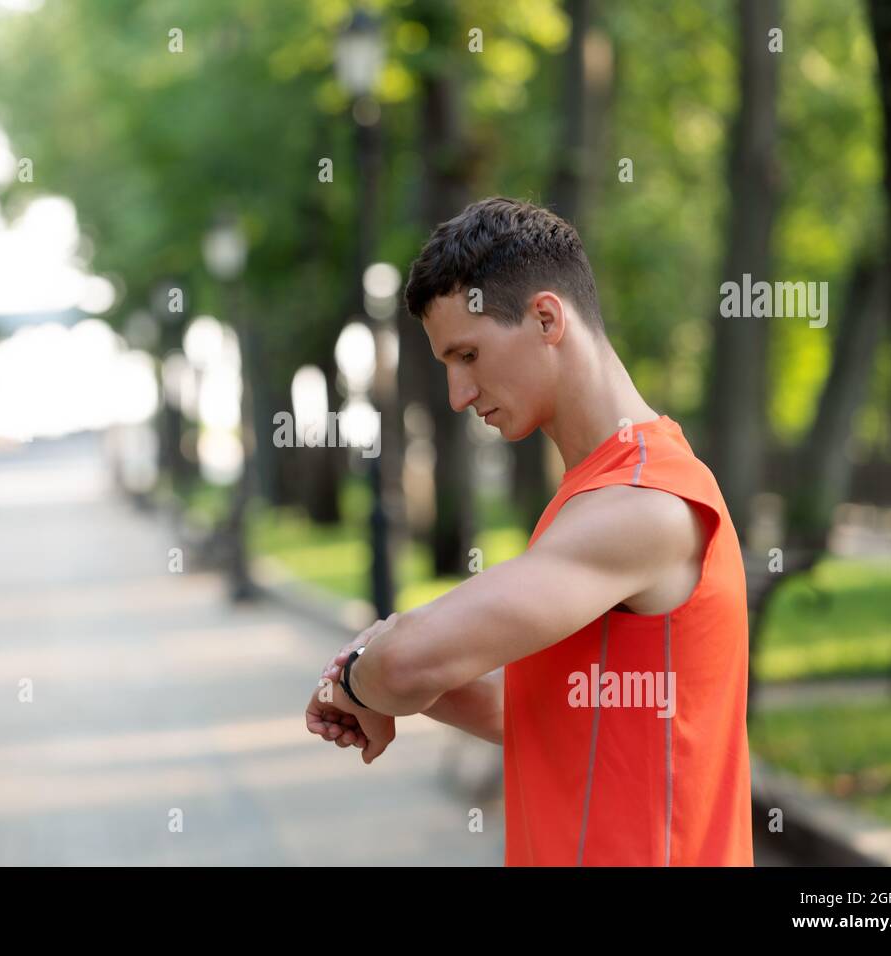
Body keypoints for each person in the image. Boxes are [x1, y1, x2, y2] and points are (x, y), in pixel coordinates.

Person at [305, 196, 753, 866]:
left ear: (547, 317)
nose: (459, 394)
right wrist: (364, 670)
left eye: (469, 355)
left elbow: (405, 664)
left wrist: (370, 675)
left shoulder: (642, 503)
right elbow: (536, 712)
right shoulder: (589, 498)